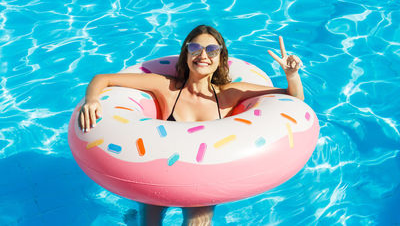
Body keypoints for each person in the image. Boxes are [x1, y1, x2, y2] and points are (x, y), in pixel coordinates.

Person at [78, 25, 304, 226]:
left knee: (199, 221)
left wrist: (292, 75)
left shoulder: (229, 94)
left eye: (212, 50)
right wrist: (92, 100)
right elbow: (103, 78)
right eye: (195, 48)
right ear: (186, 54)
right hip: (157, 176)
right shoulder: (166, 87)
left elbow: (294, 99)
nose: (203, 55)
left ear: (220, 58)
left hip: (202, 181)